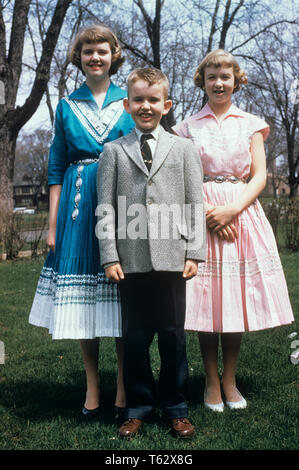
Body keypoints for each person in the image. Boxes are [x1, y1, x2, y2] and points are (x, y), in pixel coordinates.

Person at [172, 49, 294, 412]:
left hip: (241, 212)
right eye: (212, 77)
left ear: (236, 81)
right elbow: (182, 176)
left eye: (225, 76)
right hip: (202, 212)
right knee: (206, 299)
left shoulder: (251, 124)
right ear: (202, 82)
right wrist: (210, 212)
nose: (219, 83)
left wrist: (231, 210)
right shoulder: (188, 127)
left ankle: (229, 378)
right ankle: (210, 382)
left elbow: (259, 176)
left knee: (234, 297)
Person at [29, 25, 135, 416]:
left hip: (122, 206)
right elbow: (56, 166)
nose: (95, 57)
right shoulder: (66, 105)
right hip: (77, 208)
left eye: (102, 51)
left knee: (122, 297)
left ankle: (124, 384)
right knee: (87, 303)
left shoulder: (129, 99)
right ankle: (93, 385)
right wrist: (53, 226)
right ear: (80, 57)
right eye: (88, 51)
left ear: (113, 55)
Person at [97, 68, 206, 438]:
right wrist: (110, 255)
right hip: (130, 262)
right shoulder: (113, 152)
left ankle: (176, 406)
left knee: (174, 335)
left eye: (153, 100)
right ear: (127, 104)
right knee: (135, 337)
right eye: (139, 100)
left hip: (174, 259)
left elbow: (195, 202)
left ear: (167, 105)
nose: (146, 106)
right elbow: (106, 208)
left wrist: (195, 251)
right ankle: (139, 407)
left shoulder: (184, 148)